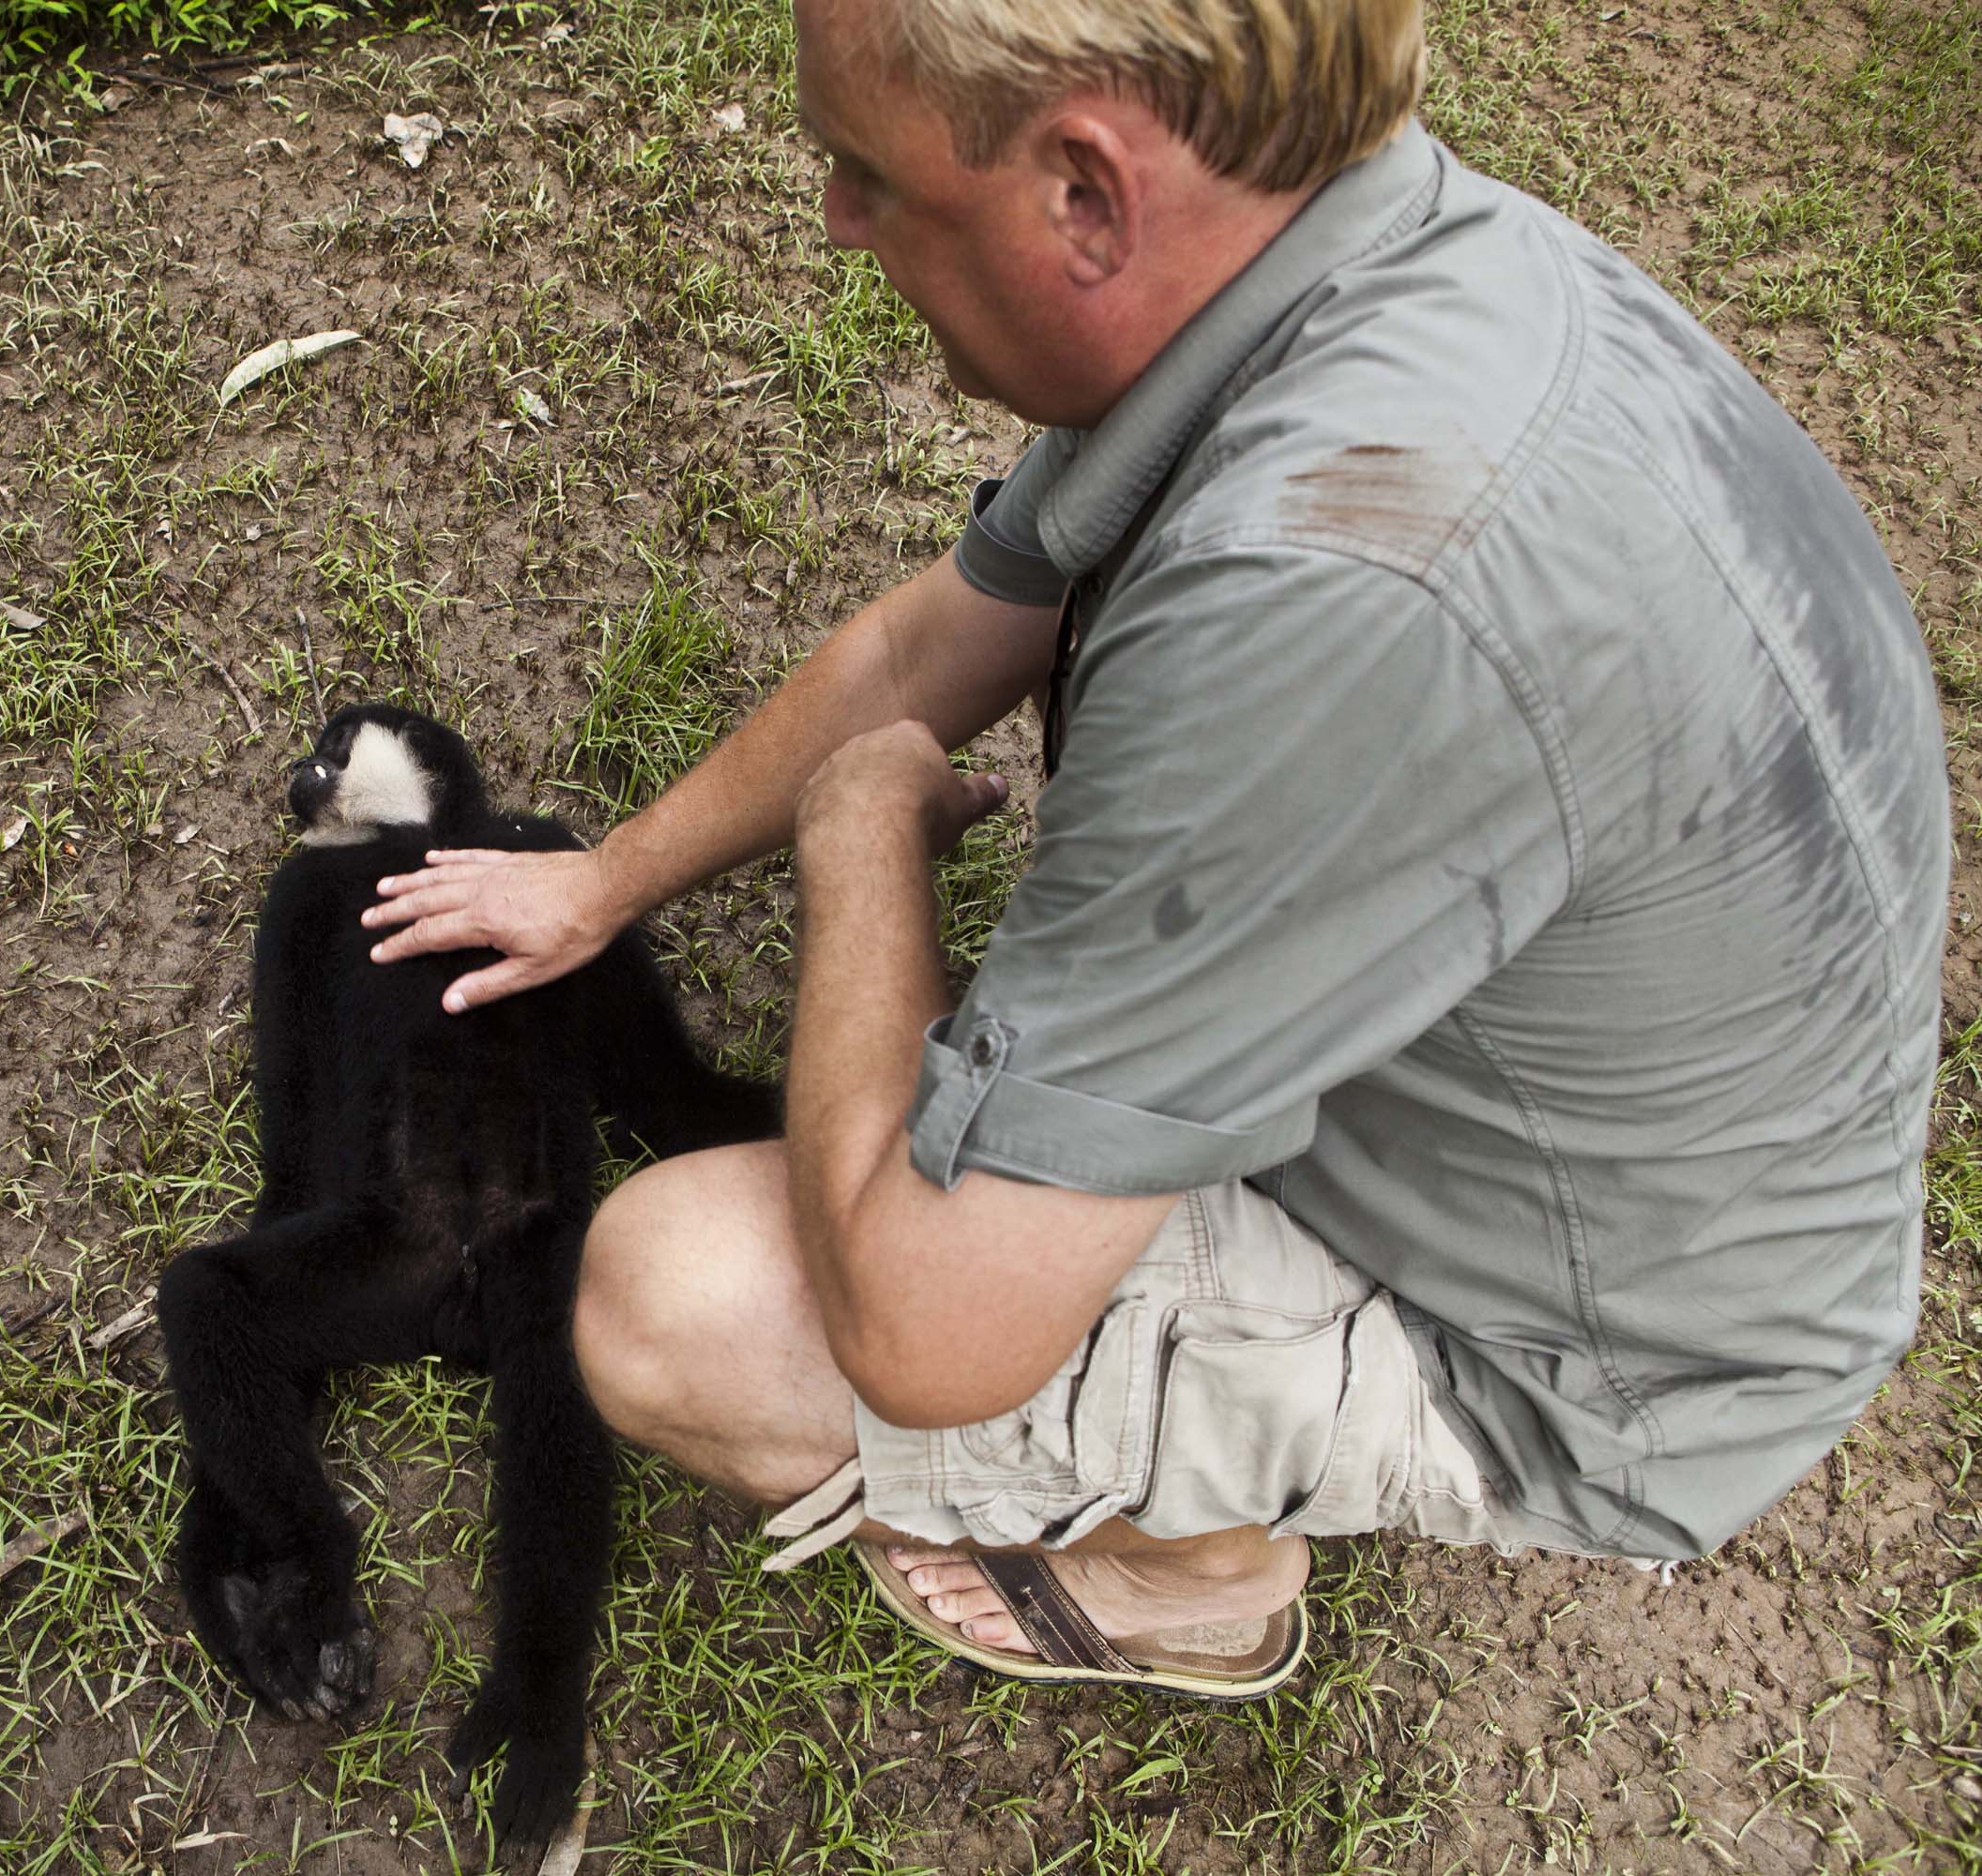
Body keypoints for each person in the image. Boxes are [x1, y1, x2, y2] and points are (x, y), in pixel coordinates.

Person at [360, 0, 1947, 1692]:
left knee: (681, 1306)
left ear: (1089, 197)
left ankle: (1197, 1564)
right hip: (1642, 1156)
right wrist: (609, 880)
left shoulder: (1332, 590)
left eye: (866, 171)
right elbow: (929, 649)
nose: (834, 220)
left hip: (1589, 1355)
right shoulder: (1361, 275)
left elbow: (924, 1336)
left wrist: (864, 837)